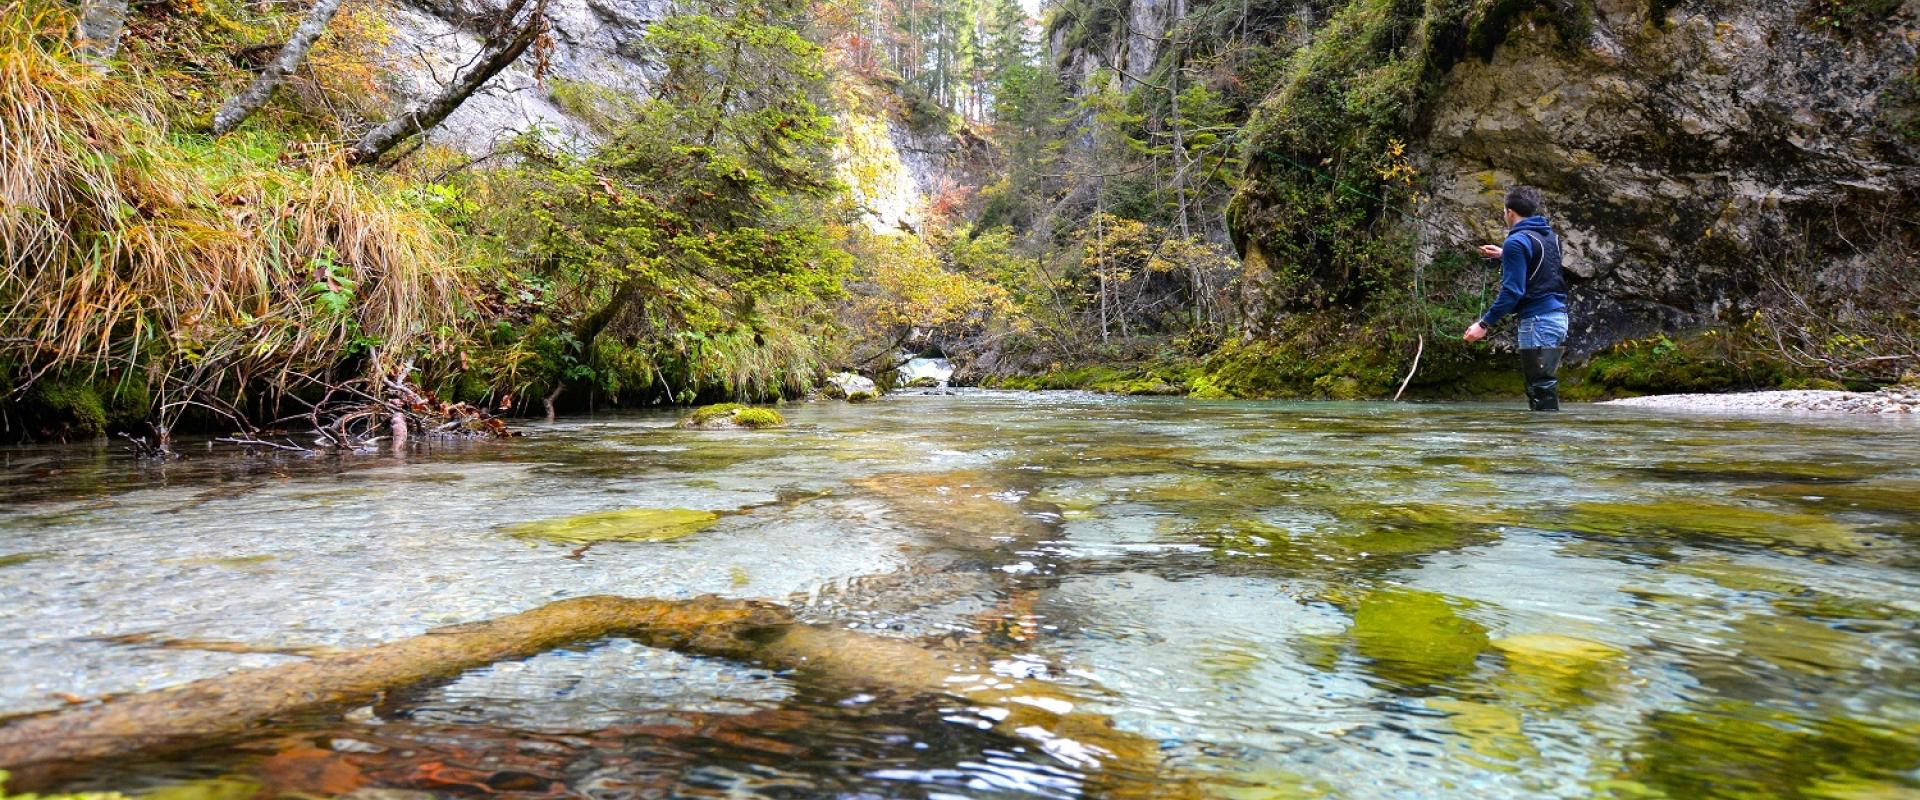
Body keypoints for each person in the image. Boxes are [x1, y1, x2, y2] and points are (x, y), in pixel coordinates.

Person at [1462, 186, 1569, 411]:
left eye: (1504, 211)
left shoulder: (1516, 242)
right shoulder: (1552, 237)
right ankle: (1544, 440)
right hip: (1558, 318)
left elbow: (1513, 292)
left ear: (1510, 212)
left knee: (1539, 387)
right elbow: (1542, 270)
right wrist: (1504, 255)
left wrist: (1483, 324)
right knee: (1543, 384)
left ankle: (1542, 443)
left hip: (1537, 321)